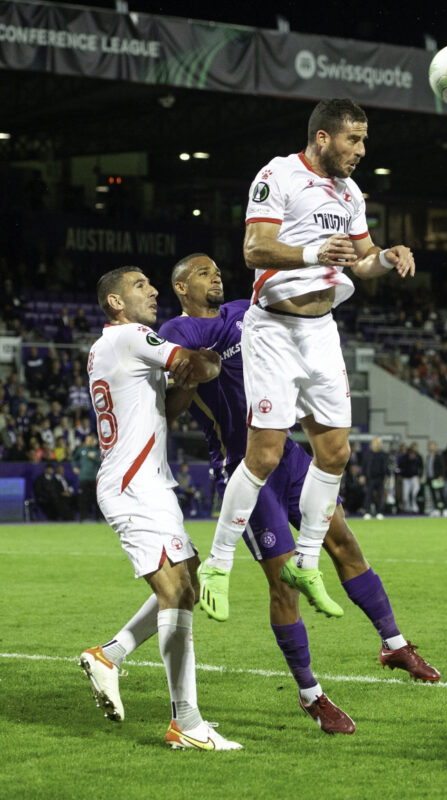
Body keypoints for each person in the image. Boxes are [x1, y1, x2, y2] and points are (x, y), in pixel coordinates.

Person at [157, 254, 439, 734]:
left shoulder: (247, 311)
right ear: (182, 287)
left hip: (287, 454)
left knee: (344, 542)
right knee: (284, 582)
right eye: (203, 273)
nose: (216, 276)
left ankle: (394, 644)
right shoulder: (178, 331)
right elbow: (173, 401)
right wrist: (194, 370)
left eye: (217, 270)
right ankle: (312, 695)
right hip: (243, 464)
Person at [197, 98, 416, 620]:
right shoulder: (279, 175)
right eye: (353, 140)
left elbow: (360, 260)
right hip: (273, 327)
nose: (361, 150)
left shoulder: (350, 192)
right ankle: (218, 561)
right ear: (323, 138)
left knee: (335, 453)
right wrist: (317, 253)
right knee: (267, 453)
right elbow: (255, 249)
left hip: (322, 331)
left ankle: (308, 560)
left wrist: (387, 257)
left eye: (363, 140)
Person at [77, 266, 240, 751]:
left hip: (147, 481)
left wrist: (187, 380)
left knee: (186, 582)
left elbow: (166, 409)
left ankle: (110, 655)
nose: (151, 292)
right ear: (116, 303)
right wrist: (213, 357)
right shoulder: (131, 335)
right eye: (140, 286)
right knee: (176, 591)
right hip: (133, 485)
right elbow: (195, 362)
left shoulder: (112, 347)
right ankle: (185, 723)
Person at [72, 432, 100, 521]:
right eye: (88, 440)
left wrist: (94, 458)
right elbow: (73, 459)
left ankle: (98, 518)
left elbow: (101, 462)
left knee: (96, 499)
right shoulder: (81, 450)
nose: (89, 441)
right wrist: (74, 467)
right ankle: (83, 517)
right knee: (83, 499)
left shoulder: (97, 450)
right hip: (83, 478)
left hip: (94, 478)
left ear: (93, 441)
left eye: (91, 440)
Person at [361, 436, 390, 520]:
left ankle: (380, 512)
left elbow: (386, 466)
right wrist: (362, 475)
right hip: (370, 478)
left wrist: (388, 476)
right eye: (375, 443)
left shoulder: (383, 454)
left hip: (380, 478)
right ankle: (367, 512)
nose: (376, 444)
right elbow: (364, 465)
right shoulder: (368, 454)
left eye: (378, 443)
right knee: (368, 495)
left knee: (381, 496)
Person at [398, 441, 422, 514]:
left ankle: (415, 508)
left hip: (414, 477)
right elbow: (401, 466)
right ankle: (407, 508)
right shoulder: (405, 456)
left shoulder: (418, 456)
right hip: (406, 478)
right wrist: (400, 475)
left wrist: (420, 476)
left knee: (415, 493)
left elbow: (421, 467)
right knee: (405, 495)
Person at [424, 441, 447, 517]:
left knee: (440, 494)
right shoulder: (428, 457)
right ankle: (436, 509)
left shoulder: (439, 456)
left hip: (438, 478)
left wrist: (441, 476)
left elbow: (442, 467)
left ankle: (444, 509)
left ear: (435, 447)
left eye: (432, 446)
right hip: (431, 478)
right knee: (433, 494)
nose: (431, 447)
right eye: (430, 446)